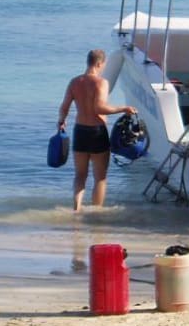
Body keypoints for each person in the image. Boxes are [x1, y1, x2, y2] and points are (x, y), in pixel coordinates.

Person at [57, 49, 136, 211]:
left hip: (80, 131)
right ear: (99, 63)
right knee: (100, 177)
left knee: (80, 175)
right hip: (97, 132)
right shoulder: (101, 83)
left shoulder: (74, 82)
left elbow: (64, 107)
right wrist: (123, 108)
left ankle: (77, 208)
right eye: (103, 65)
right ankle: (96, 213)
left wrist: (61, 121)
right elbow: (99, 108)